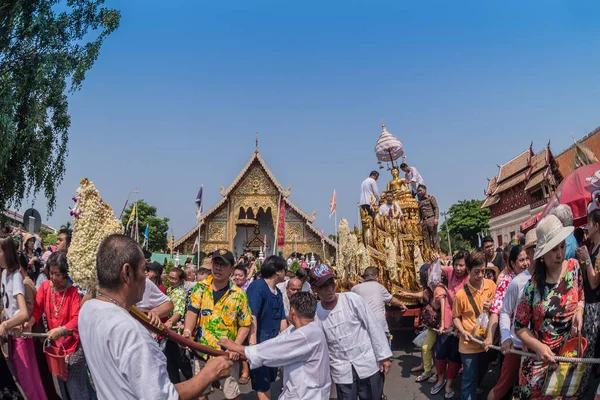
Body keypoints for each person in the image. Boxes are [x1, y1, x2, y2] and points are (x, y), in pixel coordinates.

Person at [79, 234, 231, 399]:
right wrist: (210, 373)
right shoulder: (131, 332)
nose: (147, 276)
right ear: (127, 272)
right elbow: (162, 397)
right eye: (144, 269)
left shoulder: (87, 309)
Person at [514, 215, 583, 399]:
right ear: (542, 255)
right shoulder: (532, 287)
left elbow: (581, 296)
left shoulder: (574, 268)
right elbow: (519, 327)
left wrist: (579, 311)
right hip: (537, 365)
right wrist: (539, 347)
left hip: (565, 360)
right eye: (553, 250)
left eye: (562, 246)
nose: (560, 254)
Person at [218, 291, 331, 400]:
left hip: (307, 395)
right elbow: (276, 343)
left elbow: (275, 350)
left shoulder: (306, 334)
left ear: (292, 311)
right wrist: (246, 352)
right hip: (297, 391)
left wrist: (237, 347)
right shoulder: (296, 329)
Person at [311, 263, 392, 400]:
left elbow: (373, 326)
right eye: (324, 286)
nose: (330, 289)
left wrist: (383, 356)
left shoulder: (351, 300)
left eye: (331, 283)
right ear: (314, 289)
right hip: (341, 369)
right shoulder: (316, 313)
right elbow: (318, 345)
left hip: (367, 362)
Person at [183, 249, 251, 400]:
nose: (218, 268)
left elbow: (245, 324)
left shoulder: (239, 295)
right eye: (216, 263)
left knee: (231, 393)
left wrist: (236, 345)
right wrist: (187, 331)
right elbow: (192, 311)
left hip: (225, 354)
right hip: (202, 350)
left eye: (223, 265)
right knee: (200, 392)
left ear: (231, 269)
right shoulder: (200, 288)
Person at [27, 251, 90, 399]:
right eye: (51, 273)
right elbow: (37, 309)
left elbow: (76, 319)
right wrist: (29, 324)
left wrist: (61, 330)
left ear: (66, 274)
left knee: (76, 391)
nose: (53, 278)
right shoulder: (45, 287)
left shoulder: (73, 293)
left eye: (58, 274)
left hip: (73, 348)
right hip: (57, 348)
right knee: (62, 387)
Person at [0, 233, 46, 400]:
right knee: (22, 380)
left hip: (21, 338)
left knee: (30, 384)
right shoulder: (4, 274)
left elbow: (24, 313)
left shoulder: (16, 277)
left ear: (6, 252)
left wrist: (5, 325)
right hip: (13, 337)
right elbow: (8, 307)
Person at [484, 245, 530, 400]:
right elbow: (498, 312)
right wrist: (495, 337)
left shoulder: (535, 278)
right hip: (511, 345)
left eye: (528, 259)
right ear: (511, 263)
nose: (526, 263)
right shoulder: (507, 282)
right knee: (503, 389)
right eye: (521, 260)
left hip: (530, 346)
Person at [452, 250, 497, 400]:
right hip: (468, 344)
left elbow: (498, 310)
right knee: (468, 380)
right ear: (468, 271)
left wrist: (491, 308)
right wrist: (462, 330)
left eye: (483, 271)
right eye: (476, 272)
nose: (480, 275)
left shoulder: (491, 285)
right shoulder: (460, 295)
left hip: (486, 342)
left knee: (482, 372)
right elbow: (456, 318)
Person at [246, 255, 288, 400]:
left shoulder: (278, 292)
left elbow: (282, 319)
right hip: (260, 343)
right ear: (277, 271)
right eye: (284, 270)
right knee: (262, 384)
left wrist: (288, 339)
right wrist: (252, 345)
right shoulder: (257, 287)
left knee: (269, 381)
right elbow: (252, 316)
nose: (286, 273)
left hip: (273, 344)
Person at [432, 250, 470, 399]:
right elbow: (436, 267)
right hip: (446, 321)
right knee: (441, 353)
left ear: (467, 266)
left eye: (462, 265)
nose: (459, 268)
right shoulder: (450, 272)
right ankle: (440, 379)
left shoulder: (469, 278)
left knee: (454, 356)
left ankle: (449, 384)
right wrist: (434, 260)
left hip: (460, 324)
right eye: (456, 264)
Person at [399, 264, 440, 384]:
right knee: (428, 348)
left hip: (441, 326)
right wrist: (406, 294)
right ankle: (428, 370)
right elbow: (421, 294)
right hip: (432, 326)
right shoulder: (428, 290)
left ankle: (436, 373)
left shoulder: (439, 289)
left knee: (436, 351)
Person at [575, 205, 600, 397]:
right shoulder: (593, 248)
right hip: (589, 304)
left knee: (588, 349)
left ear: (597, 226)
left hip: (595, 306)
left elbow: (593, 282)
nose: (586, 228)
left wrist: (588, 260)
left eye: (589, 224)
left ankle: (581, 390)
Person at [352, 266, 406, 348]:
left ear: (364, 277)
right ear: (376, 277)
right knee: (383, 356)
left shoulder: (355, 289)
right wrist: (401, 304)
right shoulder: (379, 287)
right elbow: (392, 300)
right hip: (379, 327)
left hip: (362, 328)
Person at [164, 267, 193, 383]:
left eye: (174, 279)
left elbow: (178, 312)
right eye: (169, 277)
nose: (170, 280)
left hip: (176, 330)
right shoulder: (170, 289)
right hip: (169, 331)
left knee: (180, 360)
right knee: (171, 360)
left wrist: (170, 322)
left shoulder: (180, 293)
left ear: (181, 281)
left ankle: (194, 382)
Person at [417, 184, 440, 251]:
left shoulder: (430, 197)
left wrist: (436, 218)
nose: (419, 192)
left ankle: (438, 253)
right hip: (424, 221)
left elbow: (436, 208)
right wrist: (417, 222)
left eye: (420, 190)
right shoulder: (420, 202)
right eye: (418, 191)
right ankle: (429, 254)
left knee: (434, 238)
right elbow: (420, 215)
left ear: (425, 190)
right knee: (426, 239)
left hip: (431, 219)